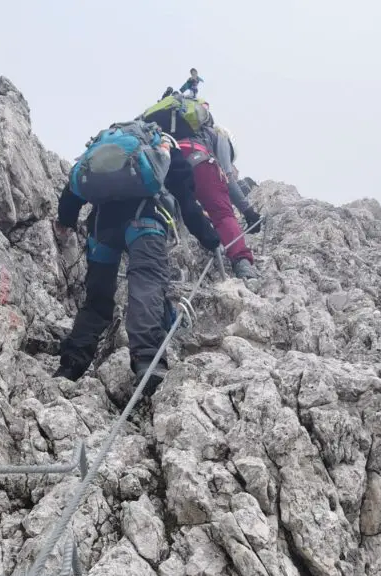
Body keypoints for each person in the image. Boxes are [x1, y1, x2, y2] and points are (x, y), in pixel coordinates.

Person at [53, 126, 220, 395]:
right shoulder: (163, 148)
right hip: (146, 222)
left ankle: (70, 366)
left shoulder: (103, 151)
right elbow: (187, 202)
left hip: (102, 229)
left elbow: (72, 194)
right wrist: (211, 239)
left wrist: (66, 222)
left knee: (96, 301)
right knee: (146, 283)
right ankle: (147, 360)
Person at [176, 122, 262, 279]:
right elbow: (228, 176)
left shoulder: (176, 132)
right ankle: (243, 264)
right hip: (199, 162)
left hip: (169, 161)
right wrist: (248, 211)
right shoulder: (221, 136)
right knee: (223, 214)